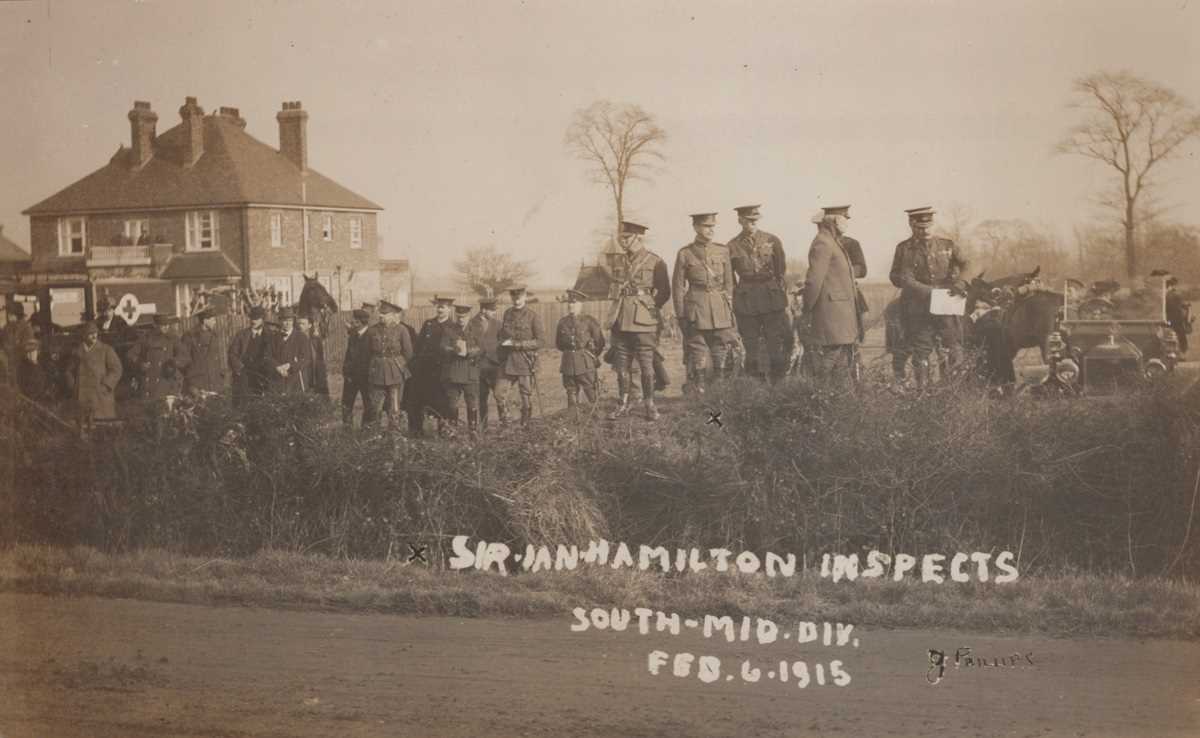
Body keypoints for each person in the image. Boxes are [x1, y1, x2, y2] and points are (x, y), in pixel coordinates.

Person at [888, 207, 973, 387]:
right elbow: (900, 277)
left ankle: (954, 391)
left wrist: (961, 283)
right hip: (919, 309)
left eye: (928, 226)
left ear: (933, 224)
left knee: (954, 348)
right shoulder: (904, 249)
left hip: (947, 307)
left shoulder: (947, 245)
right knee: (922, 351)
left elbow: (968, 265)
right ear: (911, 225)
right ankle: (923, 393)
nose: (925, 231)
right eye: (920, 227)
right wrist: (929, 291)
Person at [607, 221, 671, 420]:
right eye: (621, 238)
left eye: (627, 238)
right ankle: (624, 403)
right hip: (620, 318)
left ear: (639, 238)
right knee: (622, 364)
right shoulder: (618, 262)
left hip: (644, 321)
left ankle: (650, 404)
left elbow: (665, 291)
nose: (623, 241)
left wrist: (651, 308)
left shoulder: (655, 261)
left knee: (646, 364)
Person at [673, 212, 736, 395]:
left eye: (712, 226)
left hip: (719, 306)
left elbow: (729, 283)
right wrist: (681, 314)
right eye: (706, 226)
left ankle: (719, 389)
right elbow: (678, 286)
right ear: (696, 227)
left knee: (720, 348)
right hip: (696, 308)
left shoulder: (723, 250)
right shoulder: (685, 253)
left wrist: (728, 305)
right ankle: (700, 388)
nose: (710, 230)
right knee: (697, 348)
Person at [726, 204, 790, 381]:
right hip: (746, 300)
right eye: (748, 220)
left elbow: (780, 269)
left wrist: (779, 290)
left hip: (771, 297)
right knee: (750, 345)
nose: (752, 223)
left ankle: (778, 382)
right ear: (740, 220)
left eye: (755, 220)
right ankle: (755, 385)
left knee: (775, 343)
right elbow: (729, 277)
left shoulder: (772, 240)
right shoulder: (732, 246)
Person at [797, 208, 860, 382]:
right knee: (832, 356)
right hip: (833, 312)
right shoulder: (823, 242)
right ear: (834, 220)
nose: (847, 222)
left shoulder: (831, 241)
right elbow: (814, 280)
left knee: (839, 358)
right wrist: (807, 308)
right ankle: (819, 393)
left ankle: (834, 398)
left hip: (839, 311)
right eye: (844, 218)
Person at [497, 285, 544, 428]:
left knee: (525, 394)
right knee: (499, 392)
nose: (516, 299)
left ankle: (526, 422)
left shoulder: (532, 316)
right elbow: (503, 334)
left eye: (519, 297)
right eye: (513, 297)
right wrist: (502, 341)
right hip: (507, 360)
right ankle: (506, 421)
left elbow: (541, 341)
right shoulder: (507, 314)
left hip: (525, 360)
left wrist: (519, 344)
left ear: (524, 297)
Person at [407, 296, 454, 436]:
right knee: (417, 399)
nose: (440, 310)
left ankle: (444, 431)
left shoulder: (453, 326)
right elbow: (419, 344)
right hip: (423, 368)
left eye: (443, 307)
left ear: (449, 309)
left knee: (441, 401)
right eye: (438, 307)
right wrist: (415, 362)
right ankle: (416, 430)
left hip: (441, 369)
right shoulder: (428, 324)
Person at [66, 322, 122, 434]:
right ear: (84, 335)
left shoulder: (106, 350)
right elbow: (68, 371)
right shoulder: (77, 352)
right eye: (90, 334)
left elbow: (117, 369)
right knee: (83, 431)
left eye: (95, 333)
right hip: (82, 399)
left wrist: (106, 386)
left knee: (103, 431)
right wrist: (74, 387)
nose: (94, 336)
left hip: (101, 399)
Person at [556, 289, 605, 412]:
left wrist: (590, 355)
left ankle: (597, 417)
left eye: (574, 303)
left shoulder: (590, 321)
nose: (571, 305)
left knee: (591, 392)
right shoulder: (562, 322)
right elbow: (559, 344)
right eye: (569, 303)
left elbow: (600, 342)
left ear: (581, 304)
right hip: (568, 363)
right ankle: (573, 419)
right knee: (571, 391)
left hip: (585, 362)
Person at [367, 300, 414, 431]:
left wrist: (400, 367)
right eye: (380, 313)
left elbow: (408, 353)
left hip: (396, 373)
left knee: (394, 407)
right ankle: (375, 434)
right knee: (375, 407)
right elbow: (366, 353)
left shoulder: (401, 330)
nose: (381, 316)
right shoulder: (372, 331)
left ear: (393, 315)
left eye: (385, 313)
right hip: (376, 372)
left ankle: (394, 434)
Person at [440, 303, 483, 433]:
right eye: (458, 316)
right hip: (454, 371)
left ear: (469, 316)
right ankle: (453, 431)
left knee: (472, 402)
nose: (461, 319)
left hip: (470, 370)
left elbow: (482, 348)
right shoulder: (449, 329)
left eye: (464, 317)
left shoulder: (477, 328)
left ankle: (473, 431)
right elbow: (442, 346)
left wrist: (470, 351)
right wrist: (453, 349)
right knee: (452, 403)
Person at [126, 314, 185, 405]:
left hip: (167, 379)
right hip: (150, 381)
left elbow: (184, 356)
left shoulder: (172, 338)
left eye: (167, 325)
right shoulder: (145, 338)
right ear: (155, 325)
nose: (166, 327)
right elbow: (130, 354)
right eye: (163, 325)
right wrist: (140, 364)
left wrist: (174, 363)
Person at [471, 297, 506, 430]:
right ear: (483, 310)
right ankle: (484, 427)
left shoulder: (498, 324)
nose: (494, 313)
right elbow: (470, 342)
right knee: (481, 398)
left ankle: (503, 425)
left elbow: (504, 342)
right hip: (478, 366)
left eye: (495, 310)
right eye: (492, 310)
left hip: (495, 366)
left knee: (499, 396)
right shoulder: (472, 323)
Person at [228, 305, 272, 406]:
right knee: (244, 404)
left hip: (263, 375)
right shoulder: (242, 335)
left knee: (263, 404)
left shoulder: (270, 335)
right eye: (252, 318)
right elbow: (232, 353)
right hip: (245, 375)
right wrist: (240, 368)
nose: (253, 321)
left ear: (262, 319)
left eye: (257, 318)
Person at [179, 306, 227, 396]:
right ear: (205, 320)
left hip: (214, 383)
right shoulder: (189, 336)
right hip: (197, 384)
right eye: (213, 319)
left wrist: (221, 379)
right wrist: (191, 380)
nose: (215, 322)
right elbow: (183, 360)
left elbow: (219, 360)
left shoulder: (214, 336)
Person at [266, 306, 311, 395]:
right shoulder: (273, 338)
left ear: (293, 321)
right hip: (278, 380)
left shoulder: (301, 337)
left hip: (296, 380)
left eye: (290, 320)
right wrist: (277, 367)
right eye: (284, 320)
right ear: (280, 321)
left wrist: (290, 365)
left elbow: (306, 359)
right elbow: (267, 356)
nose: (287, 323)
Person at [341, 308, 374, 425]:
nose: (351, 322)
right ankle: (347, 430)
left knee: (369, 405)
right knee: (346, 404)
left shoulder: (372, 336)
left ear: (360, 322)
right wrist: (346, 371)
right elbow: (348, 355)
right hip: (351, 377)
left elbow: (373, 359)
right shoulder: (353, 336)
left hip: (366, 378)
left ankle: (366, 430)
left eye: (354, 320)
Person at [297, 313, 329, 396]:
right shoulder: (295, 339)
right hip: (301, 373)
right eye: (299, 323)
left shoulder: (315, 340)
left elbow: (320, 359)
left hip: (314, 372)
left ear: (309, 325)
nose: (300, 326)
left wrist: (322, 376)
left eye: (303, 324)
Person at [17, 338, 54, 404]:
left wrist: (46, 391)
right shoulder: (22, 367)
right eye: (28, 352)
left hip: (41, 399)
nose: (30, 355)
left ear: (38, 352)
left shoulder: (41, 365)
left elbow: (46, 380)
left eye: (33, 351)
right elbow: (21, 384)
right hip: (28, 400)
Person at [1165, 276, 1191, 355]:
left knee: (1171, 336)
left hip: (1169, 319)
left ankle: (1175, 352)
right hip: (1177, 319)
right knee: (1181, 336)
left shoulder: (1166, 294)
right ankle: (1182, 352)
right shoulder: (1175, 294)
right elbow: (1181, 305)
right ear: (1173, 285)